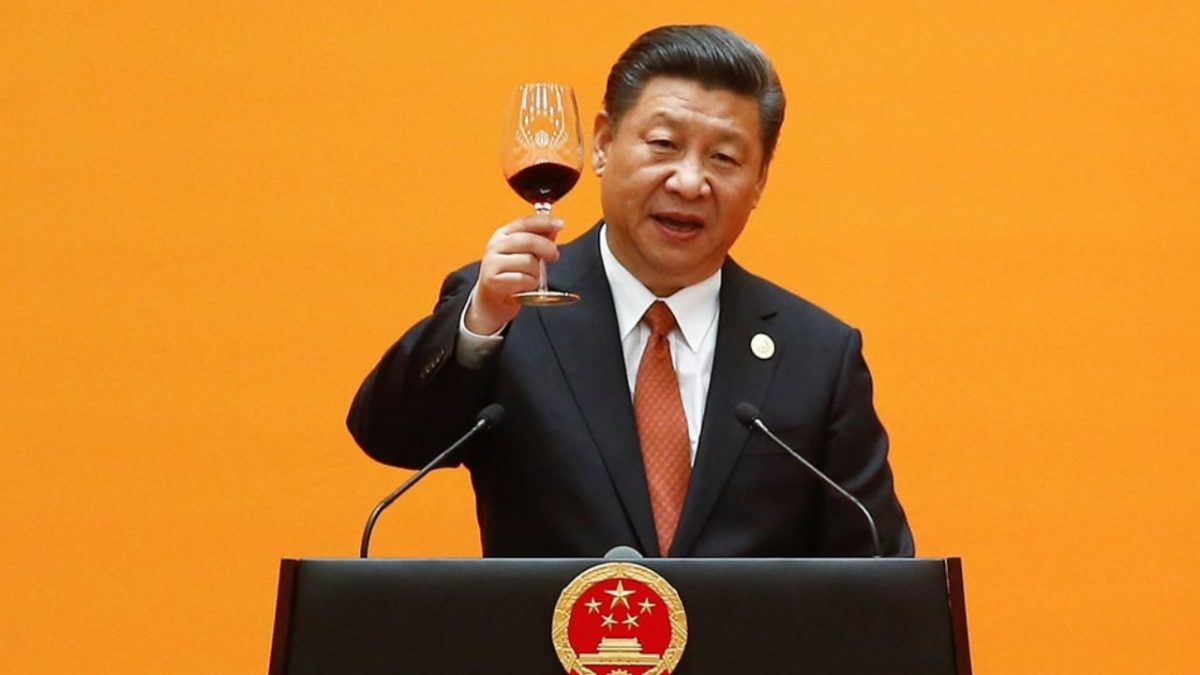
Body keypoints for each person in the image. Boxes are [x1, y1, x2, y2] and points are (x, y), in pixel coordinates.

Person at [348, 25, 914, 558]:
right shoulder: (506, 309)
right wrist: (479, 327)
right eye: (664, 144)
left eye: (724, 157)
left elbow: (878, 572)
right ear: (601, 144)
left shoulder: (816, 356)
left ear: (760, 180)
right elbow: (390, 437)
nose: (689, 182)